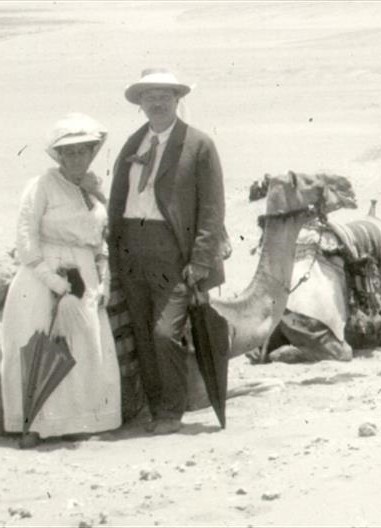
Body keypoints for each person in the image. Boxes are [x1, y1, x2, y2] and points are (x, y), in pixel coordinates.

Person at [108, 68, 229, 435]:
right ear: (140, 104)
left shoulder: (199, 145)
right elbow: (119, 199)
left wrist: (201, 260)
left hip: (172, 251)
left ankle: (172, 411)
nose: (156, 102)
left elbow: (211, 208)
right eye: (149, 96)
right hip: (131, 248)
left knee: (165, 332)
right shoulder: (133, 144)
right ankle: (156, 407)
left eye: (164, 95)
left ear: (178, 100)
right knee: (143, 334)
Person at [1, 113, 122, 448]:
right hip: (44, 276)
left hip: (85, 275)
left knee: (83, 348)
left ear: (91, 153)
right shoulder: (41, 186)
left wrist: (104, 278)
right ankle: (33, 423)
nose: (76, 158)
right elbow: (26, 237)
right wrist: (50, 280)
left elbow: (103, 239)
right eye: (68, 152)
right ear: (58, 155)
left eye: (82, 151)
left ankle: (78, 420)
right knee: (37, 343)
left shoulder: (93, 191)